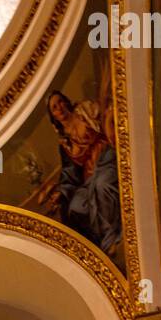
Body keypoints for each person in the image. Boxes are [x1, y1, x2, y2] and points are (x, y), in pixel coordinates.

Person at [45, 89, 121, 255]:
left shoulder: (84, 111)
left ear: (66, 102)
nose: (59, 108)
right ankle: (97, 248)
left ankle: (112, 237)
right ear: (54, 116)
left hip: (106, 157)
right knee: (76, 206)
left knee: (102, 186)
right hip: (88, 175)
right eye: (54, 108)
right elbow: (69, 172)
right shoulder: (64, 142)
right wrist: (61, 192)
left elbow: (105, 113)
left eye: (60, 102)